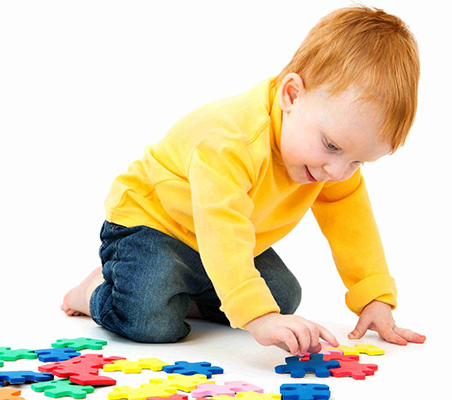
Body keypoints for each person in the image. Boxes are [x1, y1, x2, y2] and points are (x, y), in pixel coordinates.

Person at [61, 5, 426, 355]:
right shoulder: (230, 141)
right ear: (291, 95)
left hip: (220, 244)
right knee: (150, 321)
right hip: (153, 225)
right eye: (331, 146)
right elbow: (222, 224)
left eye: (358, 161)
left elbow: (351, 221)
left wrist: (374, 296)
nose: (338, 171)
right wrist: (257, 316)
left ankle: (182, 293)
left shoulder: (331, 161)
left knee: (282, 297)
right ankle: (95, 290)